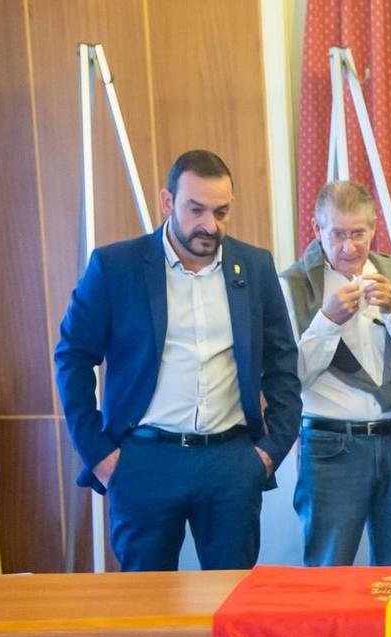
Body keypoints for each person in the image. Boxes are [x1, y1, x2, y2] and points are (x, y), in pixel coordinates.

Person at [54, 149, 300, 571]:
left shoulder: (254, 267)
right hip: (144, 462)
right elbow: (72, 358)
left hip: (231, 463)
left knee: (231, 604)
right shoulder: (116, 267)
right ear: (168, 203)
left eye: (221, 212)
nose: (210, 225)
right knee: (144, 608)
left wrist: (267, 453)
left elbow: (282, 363)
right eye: (196, 209)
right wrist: (100, 455)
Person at [281, 180, 391, 566]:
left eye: (358, 234)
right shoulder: (293, 285)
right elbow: (292, 378)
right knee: (329, 567)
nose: (349, 247)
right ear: (316, 228)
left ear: (374, 229)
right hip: (331, 445)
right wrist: (327, 321)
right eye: (337, 234)